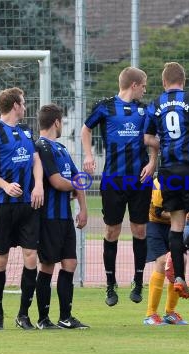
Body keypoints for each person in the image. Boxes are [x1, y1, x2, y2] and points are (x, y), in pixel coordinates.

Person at [81, 67, 158, 307]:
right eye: (143, 85)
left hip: (140, 179)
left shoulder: (145, 110)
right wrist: (88, 156)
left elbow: (153, 140)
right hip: (114, 179)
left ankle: (137, 281)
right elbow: (86, 129)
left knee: (140, 230)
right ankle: (110, 284)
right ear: (134, 85)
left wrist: (153, 163)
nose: (145, 90)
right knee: (111, 231)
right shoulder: (106, 106)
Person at [144, 62, 189, 299]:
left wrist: (165, 143)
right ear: (183, 81)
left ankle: (177, 278)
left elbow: (147, 137)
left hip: (168, 170)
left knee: (175, 225)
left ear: (164, 82)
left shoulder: (155, 104)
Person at [0, 87, 44, 330]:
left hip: (29, 205)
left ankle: (23, 315)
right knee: (1, 260)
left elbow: (36, 159)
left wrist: (38, 185)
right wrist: (5, 185)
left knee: (31, 257)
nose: (25, 107)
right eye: (23, 103)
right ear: (15, 105)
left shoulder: (26, 131)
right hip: (4, 207)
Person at [34, 104, 89, 329]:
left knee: (70, 263)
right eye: (62, 121)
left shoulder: (62, 149)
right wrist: (74, 186)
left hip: (65, 217)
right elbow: (57, 181)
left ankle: (65, 317)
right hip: (48, 218)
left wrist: (83, 209)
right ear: (56, 122)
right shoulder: (41, 147)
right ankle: (42, 319)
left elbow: (79, 179)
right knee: (47, 266)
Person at [143, 178, 188, 325]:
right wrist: (182, 215)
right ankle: (150, 314)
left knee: (182, 261)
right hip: (155, 224)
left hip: (174, 225)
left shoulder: (188, 181)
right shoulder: (158, 183)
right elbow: (158, 212)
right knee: (162, 262)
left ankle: (170, 312)